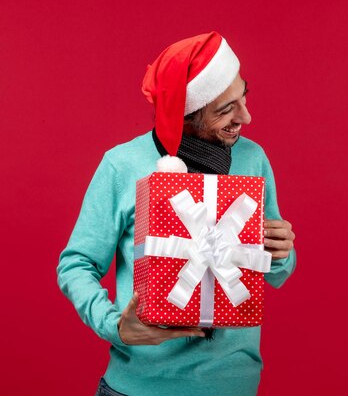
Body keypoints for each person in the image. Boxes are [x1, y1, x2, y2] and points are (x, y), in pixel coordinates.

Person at [57, 32, 296, 396]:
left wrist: (281, 252)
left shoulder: (253, 159)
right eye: (225, 109)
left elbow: (276, 271)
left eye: (242, 96)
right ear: (185, 116)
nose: (246, 116)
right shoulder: (122, 166)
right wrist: (115, 326)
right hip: (139, 387)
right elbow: (75, 264)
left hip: (235, 385)